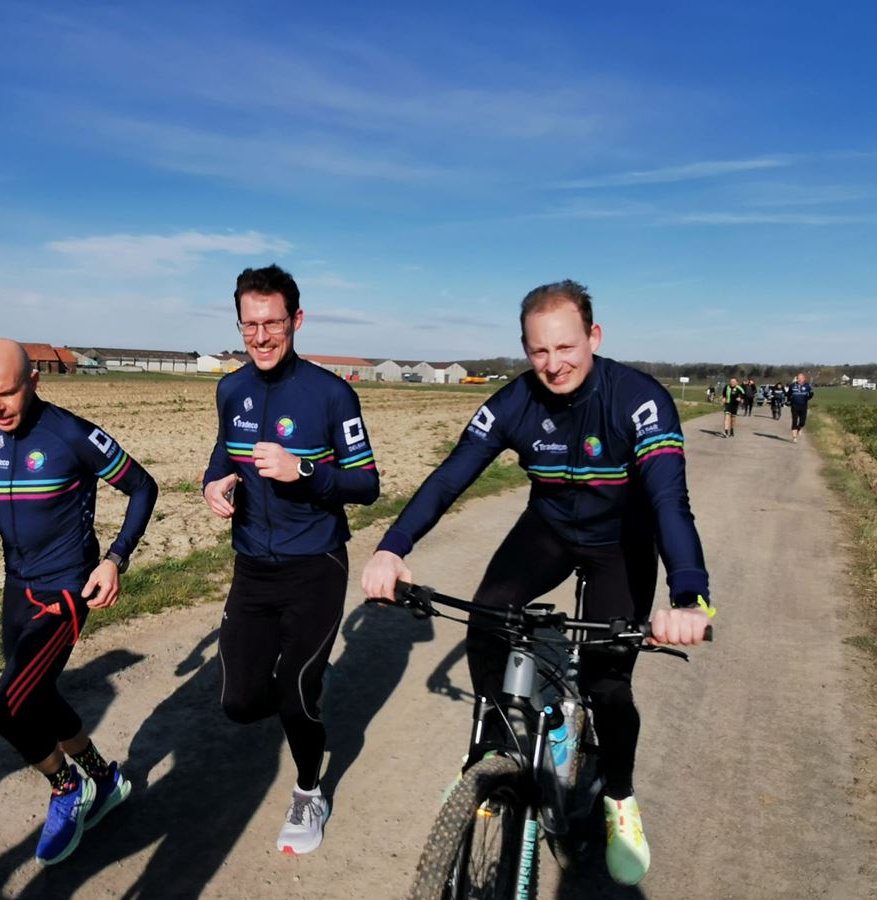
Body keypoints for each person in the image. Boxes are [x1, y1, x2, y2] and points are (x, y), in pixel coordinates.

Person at [361, 280, 712, 887]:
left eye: (566, 347)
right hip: (547, 529)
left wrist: (688, 596)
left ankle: (619, 797)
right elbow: (449, 478)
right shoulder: (514, 402)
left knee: (607, 683)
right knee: (488, 615)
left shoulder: (639, 400)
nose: (554, 364)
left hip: (620, 544)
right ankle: (491, 755)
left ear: (593, 337)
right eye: (539, 350)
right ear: (525, 349)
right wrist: (392, 548)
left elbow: (669, 502)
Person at [0, 339, 158, 866]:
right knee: (37, 693)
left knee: (9, 711)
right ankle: (104, 778)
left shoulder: (71, 434)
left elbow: (143, 487)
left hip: (66, 591)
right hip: (17, 587)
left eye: (6, 393)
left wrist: (115, 560)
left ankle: (68, 789)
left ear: (34, 382)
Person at [202, 264, 380, 855]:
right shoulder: (231, 389)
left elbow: (367, 484)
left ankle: (309, 791)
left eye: (272, 323)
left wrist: (303, 470)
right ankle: (300, 697)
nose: (260, 337)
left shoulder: (331, 393)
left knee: (297, 690)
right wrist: (213, 483)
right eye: (249, 325)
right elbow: (223, 454)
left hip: (315, 566)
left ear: (295, 320)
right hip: (252, 566)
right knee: (239, 703)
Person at [788, 372, 814, 443]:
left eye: (800, 378)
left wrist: (809, 396)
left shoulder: (807, 386)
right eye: (798, 378)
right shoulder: (792, 385)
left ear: (804, 379)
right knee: (794, 421)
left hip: (803, 405)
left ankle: (799, 428)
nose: (799, 379)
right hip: (794, 406)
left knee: (802, 422)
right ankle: (794, 437)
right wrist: (789, 400)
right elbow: (789, 394)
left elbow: (811, 394)